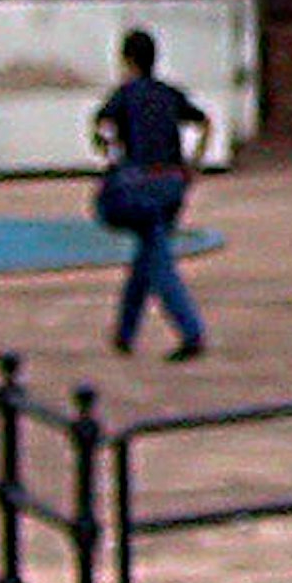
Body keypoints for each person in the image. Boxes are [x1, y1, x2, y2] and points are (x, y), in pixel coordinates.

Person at [93, 28, 213, 360]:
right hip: (173, 181)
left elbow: (101, 129)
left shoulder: (125, 94)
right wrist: (194, 166)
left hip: (141, 183)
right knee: (149, 251)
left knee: (157, 260)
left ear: (127, 60)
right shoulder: (168, 93)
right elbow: (204, 122)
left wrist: (111, 153)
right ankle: (124, 333)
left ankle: (191, 331)